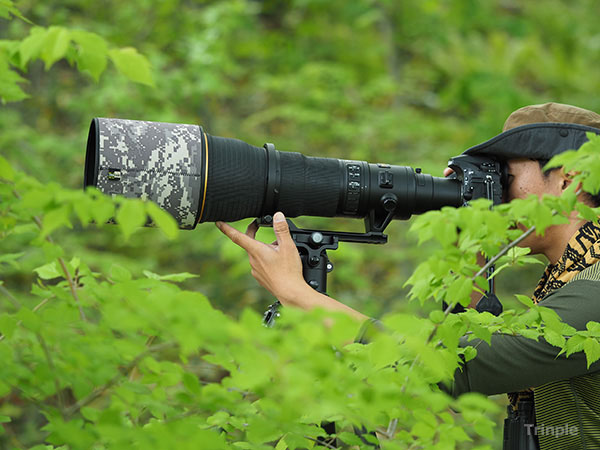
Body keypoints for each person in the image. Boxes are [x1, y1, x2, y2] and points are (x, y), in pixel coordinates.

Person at [216, 103, 600, 449]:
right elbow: (485, 344)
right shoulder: (567, 277)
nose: (498, 194)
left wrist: (298, 294)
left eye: (508, 177)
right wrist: (468, 245)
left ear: (567, 181)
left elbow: (452, 367)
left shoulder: (593, 292)